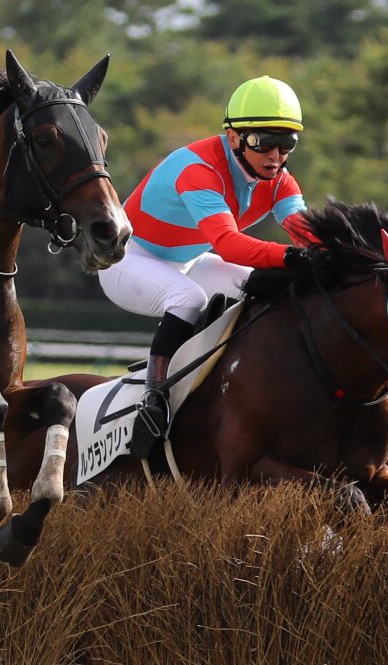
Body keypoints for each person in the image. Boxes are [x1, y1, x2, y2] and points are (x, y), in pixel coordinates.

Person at [97, 75, 328, 446]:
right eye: (264, 142)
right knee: (189, 299)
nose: (275, 156)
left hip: (186, 262)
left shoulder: (281, 180)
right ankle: (153, 402)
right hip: (127, 261)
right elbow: (229, 244)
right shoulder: (199, 170)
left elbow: (306, 231)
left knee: (257, 285)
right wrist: (291, 257)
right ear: (234, 138)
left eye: (286, 144)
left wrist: (347, 254)